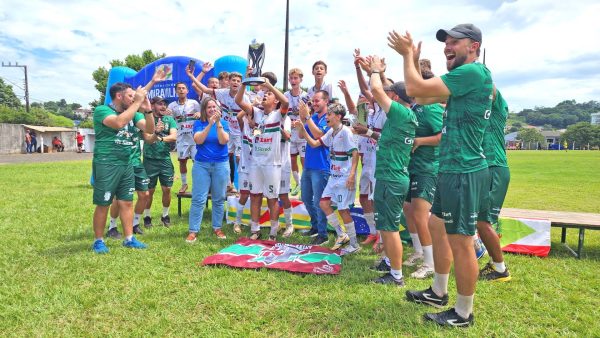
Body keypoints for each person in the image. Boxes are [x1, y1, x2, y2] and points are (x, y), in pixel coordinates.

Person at [389, 24, 492, 327]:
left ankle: (463, 312)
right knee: (436, 224)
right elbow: (421, 98)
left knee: (460, 241)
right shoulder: (464, 79)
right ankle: (438, 290)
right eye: (445, 43)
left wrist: (407, 55)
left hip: (464, 169)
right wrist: (412, 61)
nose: (448, 47)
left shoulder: (473, 72)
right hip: (451, 168)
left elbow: (416, 91)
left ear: (473, 45)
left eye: (454, 43)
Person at [91, 70, 163, 254]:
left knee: (126, 202)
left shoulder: (134, 113)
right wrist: (138, 102)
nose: (133, 99)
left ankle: (129, 238)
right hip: (107, 163)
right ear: (119, 96)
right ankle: (98, 240)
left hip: (127, 164)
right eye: (130, 96)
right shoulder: (102, 111)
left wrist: (147, 110)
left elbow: (149, 129)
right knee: (104, 202)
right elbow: (118, 123)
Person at [295, 103, 359, 254]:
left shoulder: (346, 133)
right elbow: (315, 143)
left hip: (343, 177)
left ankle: (355, 244)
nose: (327, 117)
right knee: (323, 203)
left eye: (330, 115)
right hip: (333, 176)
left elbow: (355, 153)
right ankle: (342, 235)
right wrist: (303, 129)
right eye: (328, 114)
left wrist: (351, 175)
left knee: (343, 210)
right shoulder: (332, 132)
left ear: (338, 117)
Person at [402, 62, 444, 279]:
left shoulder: (432, 107)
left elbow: (442, 137)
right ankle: (419, 251)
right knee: (408, 210)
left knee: (420, 214)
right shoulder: (417, 107)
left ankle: (431, 262)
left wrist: (419, 141)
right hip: (413, 166)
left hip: (427, 168)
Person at [235, 76, 289, 240]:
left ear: (275, 101)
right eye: (264, 93)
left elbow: (285, 102)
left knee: (272, 198)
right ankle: (255, 230)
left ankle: (273, 231)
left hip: (272, 164)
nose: (265, 95)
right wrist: (244, 84)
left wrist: (270, 86)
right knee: (255, 196)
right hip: (255, 163)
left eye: (269, 94)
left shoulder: (279, 115)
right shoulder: (256, 113)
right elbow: (238, 100)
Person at [189, 62, 249, 194]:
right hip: (225, 130)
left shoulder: (245, 97)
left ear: (241, 83)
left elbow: (250, 112)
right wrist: (191, 76)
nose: (236, 82)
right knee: (225, 156)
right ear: (229, 81)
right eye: (233, 80)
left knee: (239, 158)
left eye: (239, 81)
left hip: (239, 132)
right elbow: (205, 90)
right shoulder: (222, 92)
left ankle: (243, 185)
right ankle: (228, 184)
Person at [477, 88, 511, 282]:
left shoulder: (497, 107)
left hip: (494, 167)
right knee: (478, 219)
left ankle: (500, 269)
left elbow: (491, 87)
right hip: (483, 168)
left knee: (483, 220)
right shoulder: (479, 112)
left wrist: (475, 69)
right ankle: (490, 258)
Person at [186, 97, 230, 243]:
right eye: (209, 107)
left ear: (218, 109)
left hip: (221, 165)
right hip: (201, 165)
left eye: (214, 107)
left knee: (219, 198)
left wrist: (217, 124)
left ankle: (217, 227)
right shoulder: (199, 123)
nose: (212, 109)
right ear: (204, 110)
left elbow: (224, 140)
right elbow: (198, 140)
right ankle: (193, 231)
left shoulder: (223, 123)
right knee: (198, 199)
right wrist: (209, 124)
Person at [298, 91, 331, 245]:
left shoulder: (327, 118)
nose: (314, 104)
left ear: (326, 101)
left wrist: (307, 117)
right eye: (313, 101)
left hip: (321, 166)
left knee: (319, 201)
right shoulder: (315, 117)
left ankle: (323, 234)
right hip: (308, 165)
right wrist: (300, 118)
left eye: (317, 101)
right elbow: (300, 135)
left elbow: (319, 135)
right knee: (305, 198)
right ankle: (315, 226)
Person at [142, 96, 178, 228]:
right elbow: (146, 139)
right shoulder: (146, 119)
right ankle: (147, 217)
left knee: (167, 189)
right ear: (152, 105)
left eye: (165, 104)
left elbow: (174, 136)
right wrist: (155, 133)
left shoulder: (169, 120)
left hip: (165, 159)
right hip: (149, 160)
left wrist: (161, 139)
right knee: (149, 191)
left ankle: (165, 216)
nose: (163, 106)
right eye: (160, 104)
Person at [168, 82, 201, 194]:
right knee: (182, 161)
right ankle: (184, 184)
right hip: (181, 138)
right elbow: (169, 120)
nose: (181, 90)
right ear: (176, 91)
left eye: (183, 88)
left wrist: (200, 113)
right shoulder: (172, 106)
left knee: (197, 162)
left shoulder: (194, 103)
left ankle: (198, 184)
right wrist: (168, 115)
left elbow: (202, 114)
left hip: (194, 138)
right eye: (179, 88)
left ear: (187, 90)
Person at [284, 68, 308, 196]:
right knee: (292, 160)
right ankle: (298, 184)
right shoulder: (286, 95)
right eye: (291, 78)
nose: (293, 81)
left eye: (296, 78)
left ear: (300, 79)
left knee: (304, 161)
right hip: (291, 133)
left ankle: (306, 185)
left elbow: (308, 113)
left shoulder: (305, 95)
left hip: (302, 133)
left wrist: (300, 122)